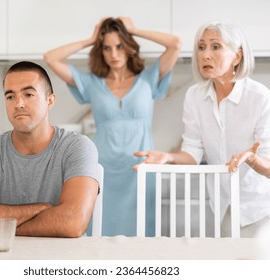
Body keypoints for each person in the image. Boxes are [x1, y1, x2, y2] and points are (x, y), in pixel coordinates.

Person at [134, 21, 270, 237]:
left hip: (263, 205)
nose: (205, 55)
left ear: (237, 56)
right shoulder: (194, 97)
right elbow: (192, 153)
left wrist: (253, 159)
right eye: (201, 47)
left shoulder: (261, 99)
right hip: (225, 204)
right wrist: (167, 157)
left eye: (215, 46)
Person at [44, 17, 181, 236]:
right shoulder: (92, 84)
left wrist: (134, 30)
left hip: (140, 167)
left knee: (142, 234)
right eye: (106, 48)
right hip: (102, 167)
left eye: (119, 46)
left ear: (129, 46)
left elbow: (175, 44)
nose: (114, 54)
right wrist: (91, 39)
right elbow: (50, 58)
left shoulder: (148, 78)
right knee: (99, 230)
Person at [0, 61, 100, 238]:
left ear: (50, 100)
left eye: (28, 94)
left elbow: (73, 223)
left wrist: (5, 229)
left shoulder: (77, 147)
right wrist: (41, 209)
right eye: (10, 97)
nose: (18, 104)